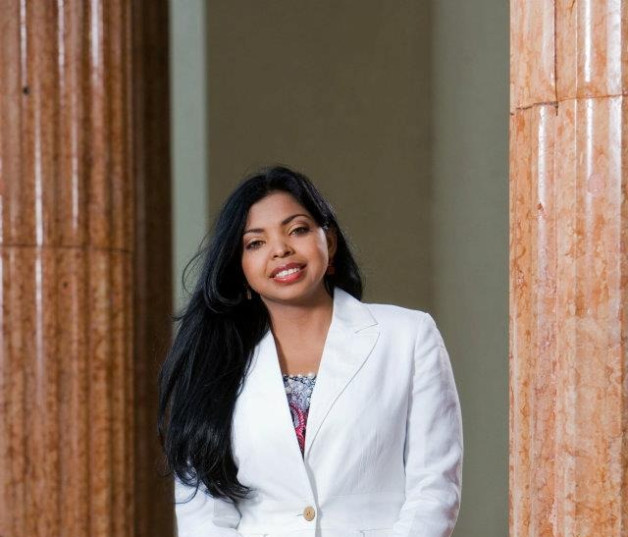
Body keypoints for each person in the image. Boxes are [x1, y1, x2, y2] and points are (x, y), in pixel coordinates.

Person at [158, 166, 463, 537]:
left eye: (297, 229)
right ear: (241, 270)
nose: (281, 249)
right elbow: (201, 508)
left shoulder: (408, 337)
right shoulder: (213, 363)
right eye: (256, 243)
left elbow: (434, 487)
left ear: (328, 242)